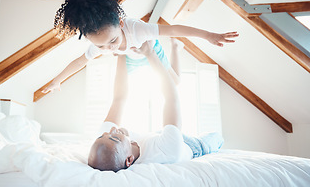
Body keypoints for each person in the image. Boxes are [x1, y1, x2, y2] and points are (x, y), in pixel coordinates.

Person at [42, 0, 238, 93]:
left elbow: (174, 29)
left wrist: (208, 36)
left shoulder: (138, 30)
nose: (109, 49)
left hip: (151, 50)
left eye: (112, 41)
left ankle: (177, 49)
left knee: (174, 84)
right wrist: (57, 80)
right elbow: (79, 62)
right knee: (127, 89)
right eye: (101, 47)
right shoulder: (102, 45)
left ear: (120, 23)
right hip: (132, 57)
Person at [87, 39, 224, 172]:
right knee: (216, 137)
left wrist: (121, 53)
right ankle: (175, 47)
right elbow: (172, 98)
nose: (111, 130)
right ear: (129, 160)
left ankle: (175, 47)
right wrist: (150, 54)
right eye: (115, 137)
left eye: (103, 135)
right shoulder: (166, 150)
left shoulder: (106, 144)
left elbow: (119, 99)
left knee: (175, 80)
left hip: (158, 135)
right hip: (190, 146)